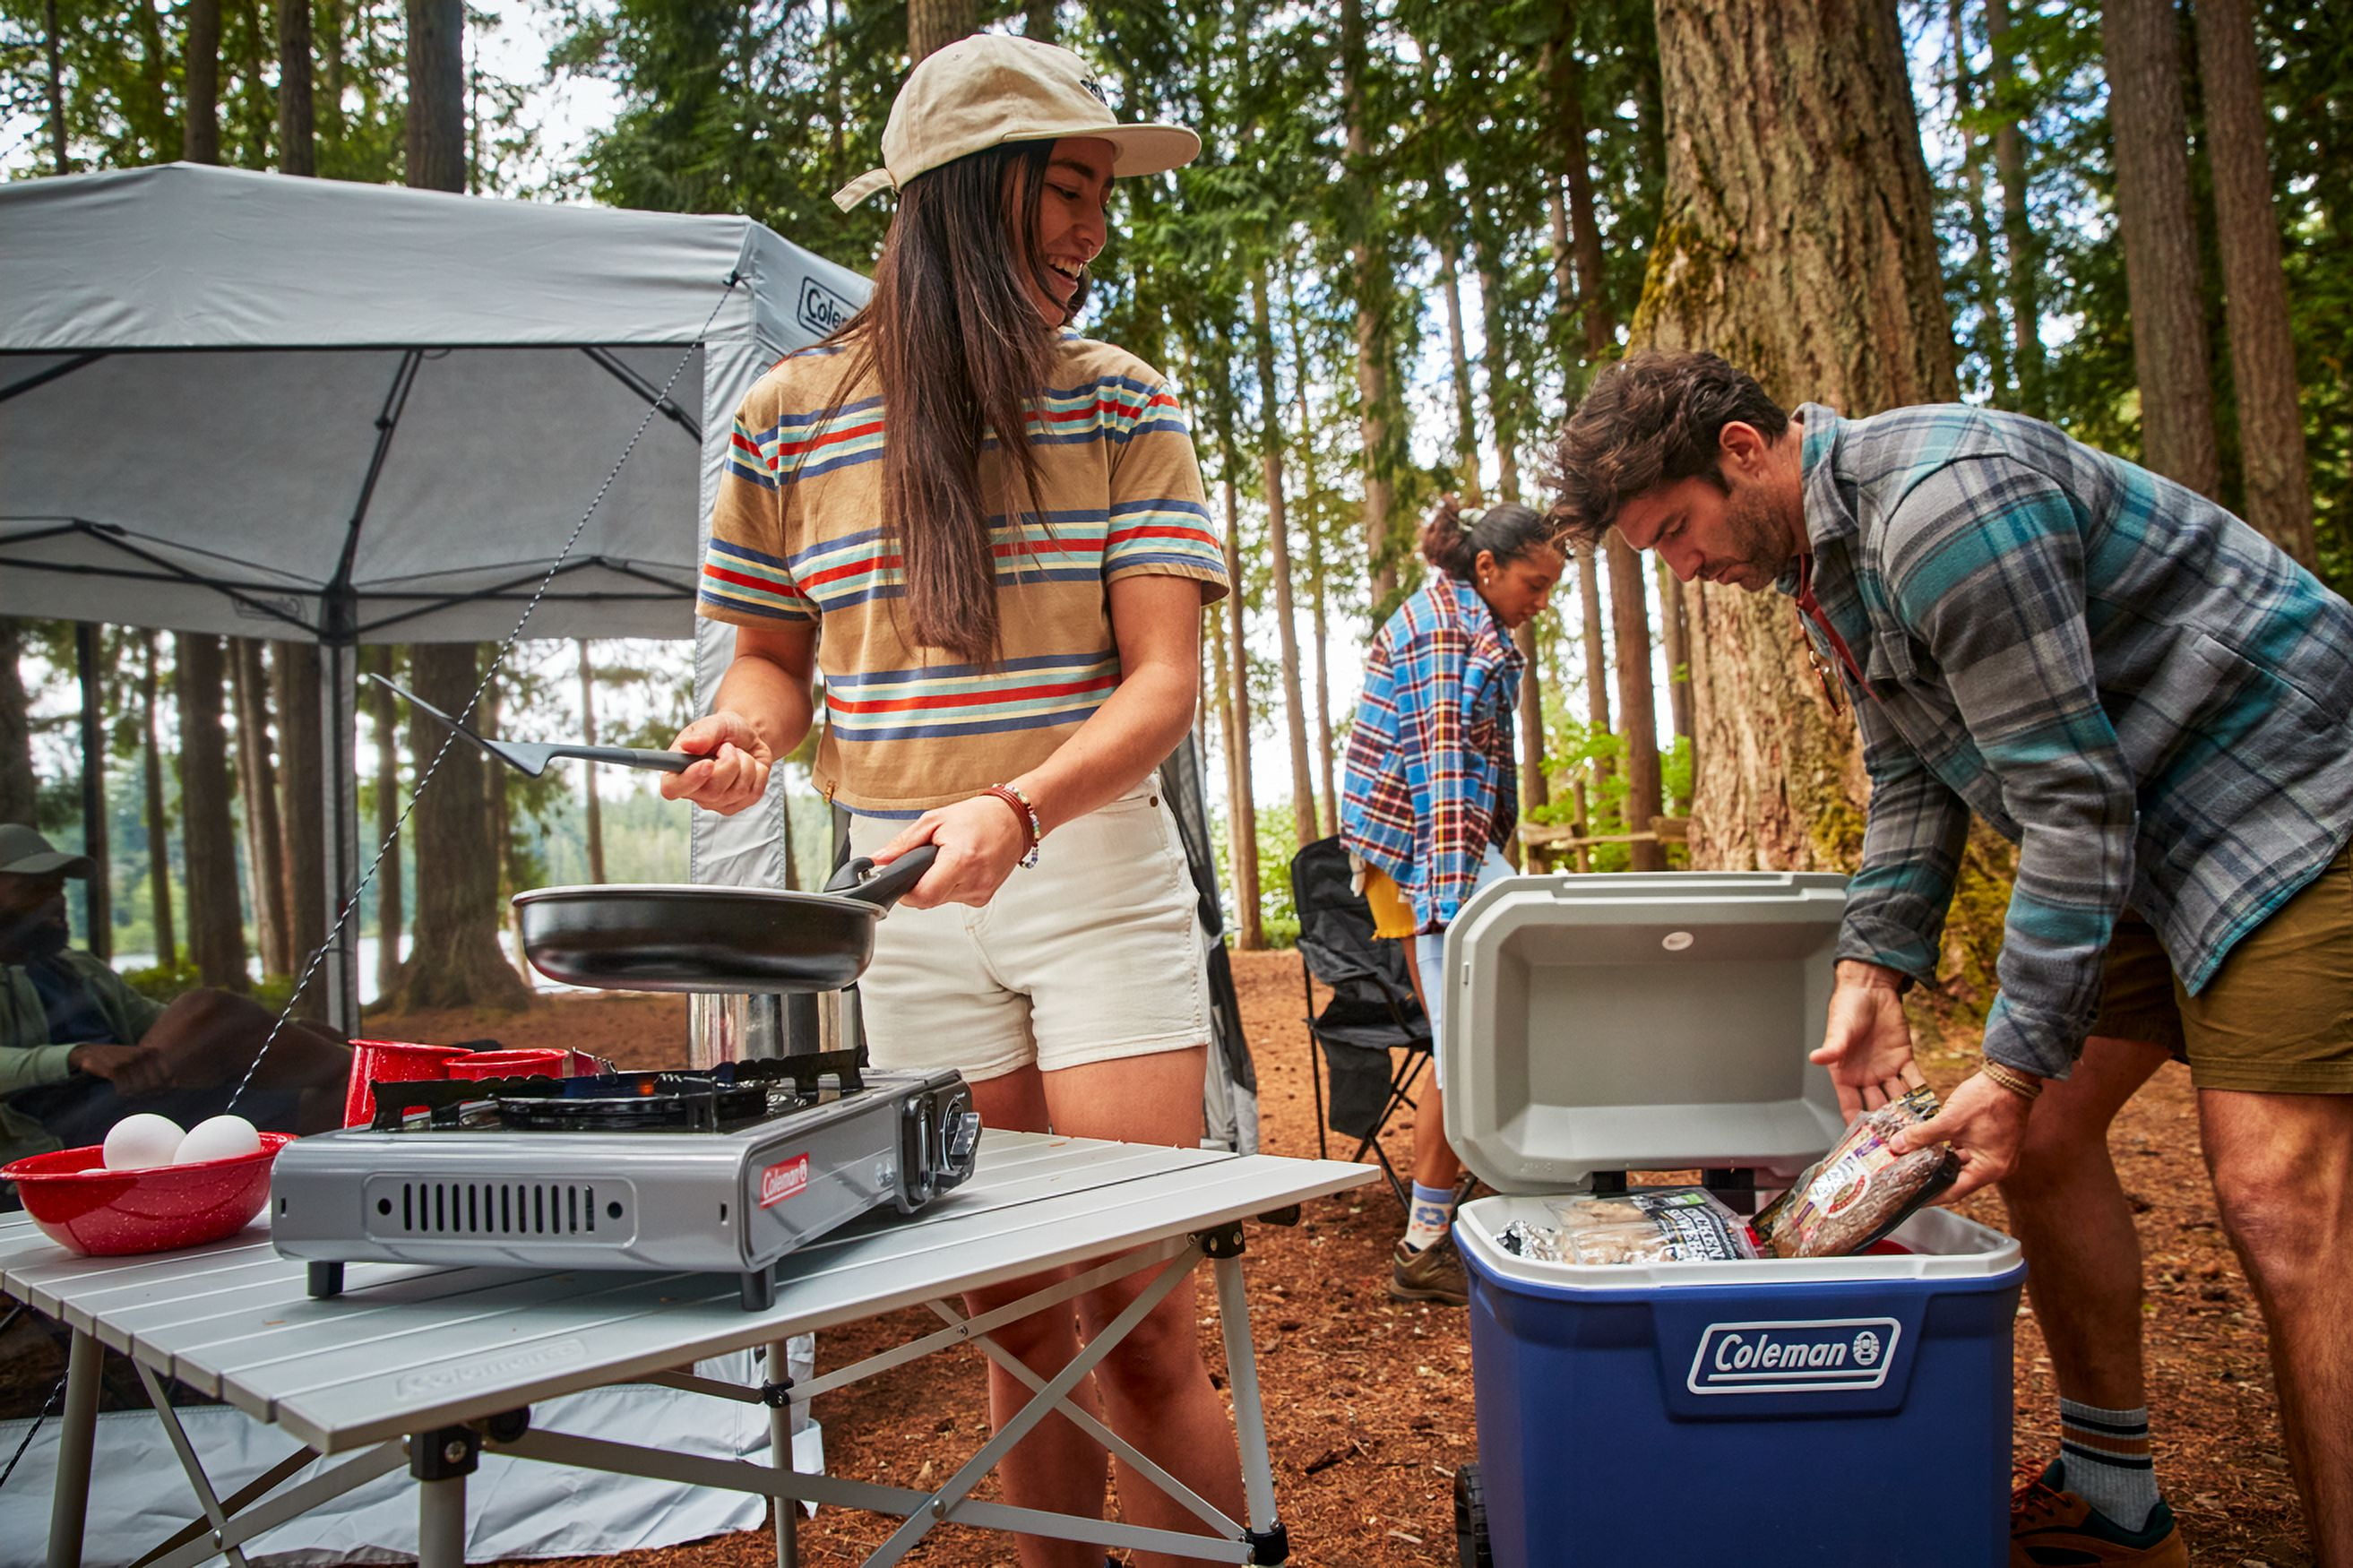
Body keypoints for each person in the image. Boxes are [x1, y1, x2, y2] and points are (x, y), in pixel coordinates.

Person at [1548, 349, 2353, 1568]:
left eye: (1674, 533)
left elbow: (2070, 805)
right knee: (2043, 1138)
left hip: (2283, 792)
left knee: (2274, 1196)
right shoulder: (1825, 562)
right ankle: (2112, 1497)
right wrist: (1871, 969)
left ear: (1742, 451)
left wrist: (2015, 1063)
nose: (1684, 571)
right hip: (2135, 827)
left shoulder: (1943, 505)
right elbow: (1915, 768)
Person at [663, 34, 1237, 1568]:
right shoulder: (788, 415)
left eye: (1101, 193)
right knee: (1019, 1325)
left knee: (1136, 1324)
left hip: (1091, 870)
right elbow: (775, 668)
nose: (1092, 229)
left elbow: (1161, 685)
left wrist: (1024, 812)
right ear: (959, 200)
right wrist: (741, 733)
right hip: (898, 906)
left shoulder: (1120, 401)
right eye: (1065, 188)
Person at [1339, 497, 1564, 1308]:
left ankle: (1442, 1231)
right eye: (1534, 586)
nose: (1541, 604)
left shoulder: (1470, 622)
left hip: (1434, 854)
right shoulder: (1443, 629)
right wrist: (1451, 910)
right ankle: (1427, 1243)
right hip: (1417, 857)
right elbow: (1440, 783)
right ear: (1487, 568)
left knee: (1462, 1042)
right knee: (1465, 1043)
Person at [0, 823, 350, 1185]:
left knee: (313, 1056)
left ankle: (375, 1087)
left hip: (138, 1099)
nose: (56, 899)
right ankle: (381, 1072)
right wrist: (77, 1055)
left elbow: (166, 1023)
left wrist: (272, 1035)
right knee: (209, 1009)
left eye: (58, 887)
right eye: (33, 889)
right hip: (59, 1129)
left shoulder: (76, 969)